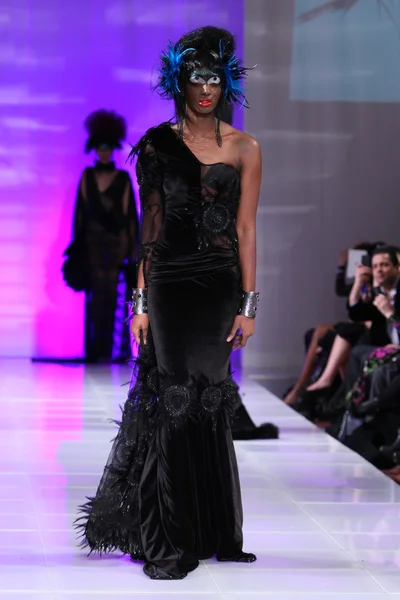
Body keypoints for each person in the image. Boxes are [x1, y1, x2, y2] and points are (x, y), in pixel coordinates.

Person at [76, 27, 261, 579]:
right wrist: (139, 300)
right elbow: (149, 231)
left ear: (224, 82)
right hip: (170, 284)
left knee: (208, 399)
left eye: (212, 77)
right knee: (172, 396)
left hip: (220, 286)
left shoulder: (246, 148)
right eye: (194, 77)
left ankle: (211, 530)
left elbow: (247, 229)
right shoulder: (156, 144)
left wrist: (249, 304)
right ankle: (166, 538)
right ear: (178, 81)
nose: (204, 88)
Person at [72, 110, 138, 362]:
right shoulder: (87, 176)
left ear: (113, 148)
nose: (104, 151)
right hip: (92, 246)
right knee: (95, 297)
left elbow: (130, 216)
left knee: (116, 295)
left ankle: (113, 353)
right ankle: (94, 351)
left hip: (116, 246)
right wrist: (78, 248)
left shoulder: (122, 178)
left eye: (108, 147)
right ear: (93, 148)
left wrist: (133, 252)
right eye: (100, 147)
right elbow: (80, 214)